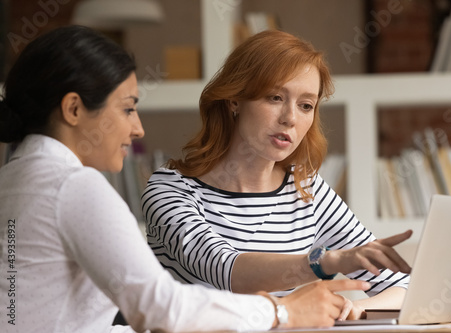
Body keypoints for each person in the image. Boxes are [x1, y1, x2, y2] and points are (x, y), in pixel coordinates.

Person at [0, 25, 371, 332]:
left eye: (306, 105)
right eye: (128, 108)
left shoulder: (13, 179)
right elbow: (158, 306)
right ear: (74, 109)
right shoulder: (74, 187)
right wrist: (285, 312)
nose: (138, 128)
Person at [142, 29, 413, 321]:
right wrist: (326, 263)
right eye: (274, 97)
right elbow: (226, 270)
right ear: (235, 99)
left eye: (306, 105)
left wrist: (354, 309)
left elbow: (403, 286)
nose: (290, 118)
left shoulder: (306, 189)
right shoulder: (170, 190)